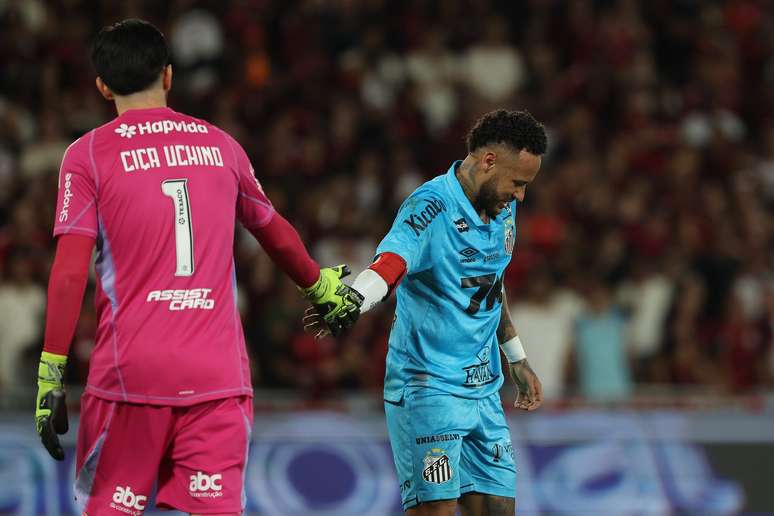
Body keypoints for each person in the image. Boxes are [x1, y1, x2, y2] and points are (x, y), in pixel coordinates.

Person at [34, 19, 361, 516]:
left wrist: (50, 373)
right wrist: (320, 288)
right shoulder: (221, 145)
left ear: (102, 85)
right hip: (217, 378)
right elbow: (273, 230)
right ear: (168, 76)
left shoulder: (87, 156)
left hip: (131, 378)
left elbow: (69, 273)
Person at [306, 109, 547, 515]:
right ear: (488, 161)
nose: (520, 196)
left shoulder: (502, 207)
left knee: (498, 508)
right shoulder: (431, 206)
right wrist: (355, 298)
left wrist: (516, 357)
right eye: (517, 183)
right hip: (429, 388)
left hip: (484, 390)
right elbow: (390, 263)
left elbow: (493, 281)